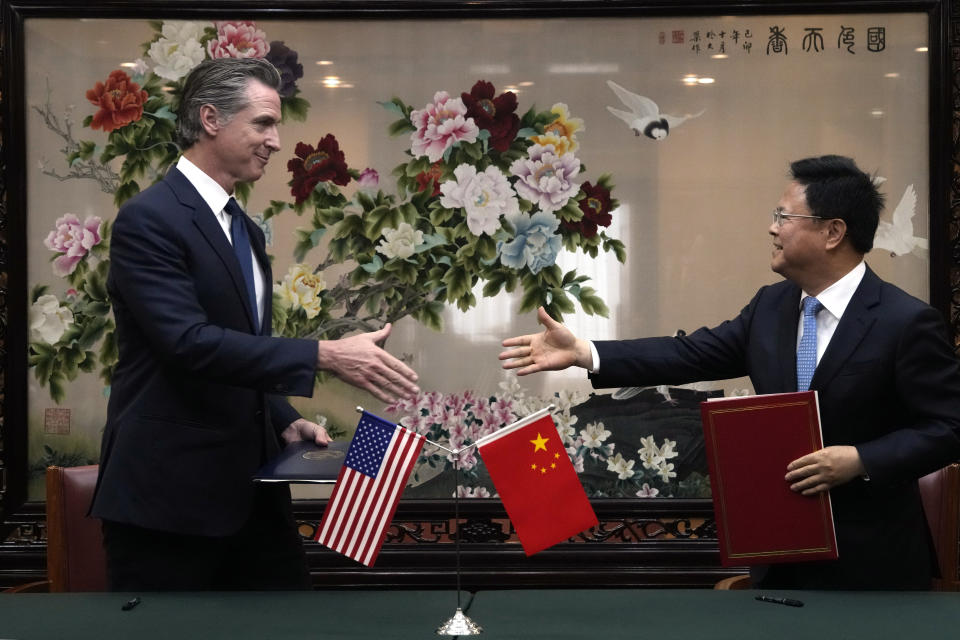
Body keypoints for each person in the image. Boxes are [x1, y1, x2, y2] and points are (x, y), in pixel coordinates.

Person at [499, 155, 960, 590]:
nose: (771, 228)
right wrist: (585, 351)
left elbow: (949, 427)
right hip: (781, 556)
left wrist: (860, 459)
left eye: (783, 216)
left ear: (833, 231)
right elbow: (688, 354)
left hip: (873, 566)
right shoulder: (771, 306)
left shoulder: (905, 322)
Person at [90, 57, 420, 591]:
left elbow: (242, 347)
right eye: (263, 123)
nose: (275, 140)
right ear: (211, 119)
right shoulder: (149, 218)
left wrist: (281, 417)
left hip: (254, 499)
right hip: (169, 504)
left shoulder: (243, 227)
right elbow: (187, 344)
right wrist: (325, 355)